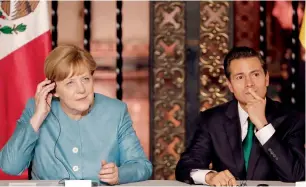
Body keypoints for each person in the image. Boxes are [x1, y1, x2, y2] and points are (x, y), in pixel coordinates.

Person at [0, 45, 152, 184]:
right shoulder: (35, 109)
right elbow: (10, 166)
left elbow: (142, 166)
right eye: (70, 83)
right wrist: (38, 117)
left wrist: (120, 174)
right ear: (54, 89)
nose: (81, 89)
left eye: (85, 79)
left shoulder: (115, 111)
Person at [175, 46, 305, 186]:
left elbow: (296, 175)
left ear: (266, 79)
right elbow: (185, 167)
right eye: (240, 77)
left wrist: (262, 124)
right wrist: (210, 176)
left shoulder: (293, 119)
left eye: (255, 75)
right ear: (230, 85)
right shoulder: (212, 120)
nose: (249, 84)